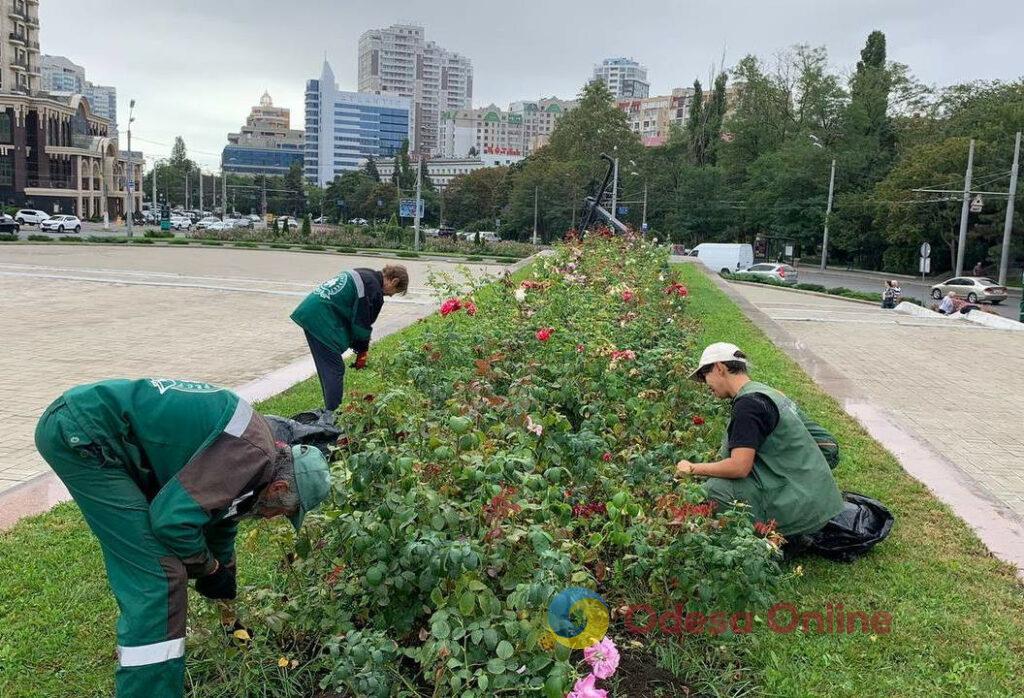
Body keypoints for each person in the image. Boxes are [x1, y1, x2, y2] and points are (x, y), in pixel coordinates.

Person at [34, 378, 333, 698]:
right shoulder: (251, 454)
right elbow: (171, 523)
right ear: (280, 489)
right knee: (159, 577)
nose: (275, 517)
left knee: (164, 568)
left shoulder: (260, 457)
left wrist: (225, 570)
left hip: (92, 427)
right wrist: (209, 568)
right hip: (87, 435)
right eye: (285, 512)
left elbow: (220, 514)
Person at [675, 343, 845, 539]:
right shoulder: (764, 392)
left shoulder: (748, 406)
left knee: (714, 490)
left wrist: (692, 468)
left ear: (719, 368)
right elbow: (826, 444)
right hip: (816, 498)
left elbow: (739, 467)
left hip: (804, 512)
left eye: (705, 376)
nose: (706, 385)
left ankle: (773, 536)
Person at [291, 265, 409, 411]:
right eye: (395, 292)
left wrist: (359, 348)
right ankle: (334, 417)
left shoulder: (367, 273)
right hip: (320, 317)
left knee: (327, 367)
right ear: (394, 281)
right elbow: (362, 325)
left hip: (311, 311)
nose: (391, 295)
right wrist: (362, 352)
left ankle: (330, 412)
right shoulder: (374, 290)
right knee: (334, 369)